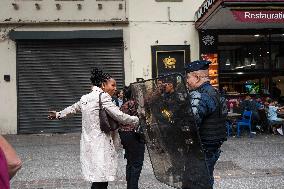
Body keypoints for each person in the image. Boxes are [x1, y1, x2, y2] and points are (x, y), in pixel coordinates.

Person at [48, 68, 139, 189]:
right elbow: (119, 116)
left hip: (88, 142)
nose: (115, 88)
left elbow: (73, 108)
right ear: (103, 85)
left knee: (98, 177)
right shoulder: (104, 97)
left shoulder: (85, 98)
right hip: (101, 142)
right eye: (113, 85)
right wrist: (136, 120)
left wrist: (58, 114)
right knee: (101, 178)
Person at [184, 60, 227, 189]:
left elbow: (190, 125)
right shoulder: (216, 93)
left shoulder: (199, 95)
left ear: (197, 77)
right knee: (207, 182)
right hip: (213, 150)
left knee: (195, 185)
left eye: (188, 77)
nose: (186, 81)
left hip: (200, 152)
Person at [119, 86, 145, 189]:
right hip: (134, 135)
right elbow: (142, 115)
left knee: (130, 161)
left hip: (124, 135)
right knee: (137, 163)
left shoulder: (124, 105)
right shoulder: (134, 103)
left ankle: (130, 186)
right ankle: (133, 187)